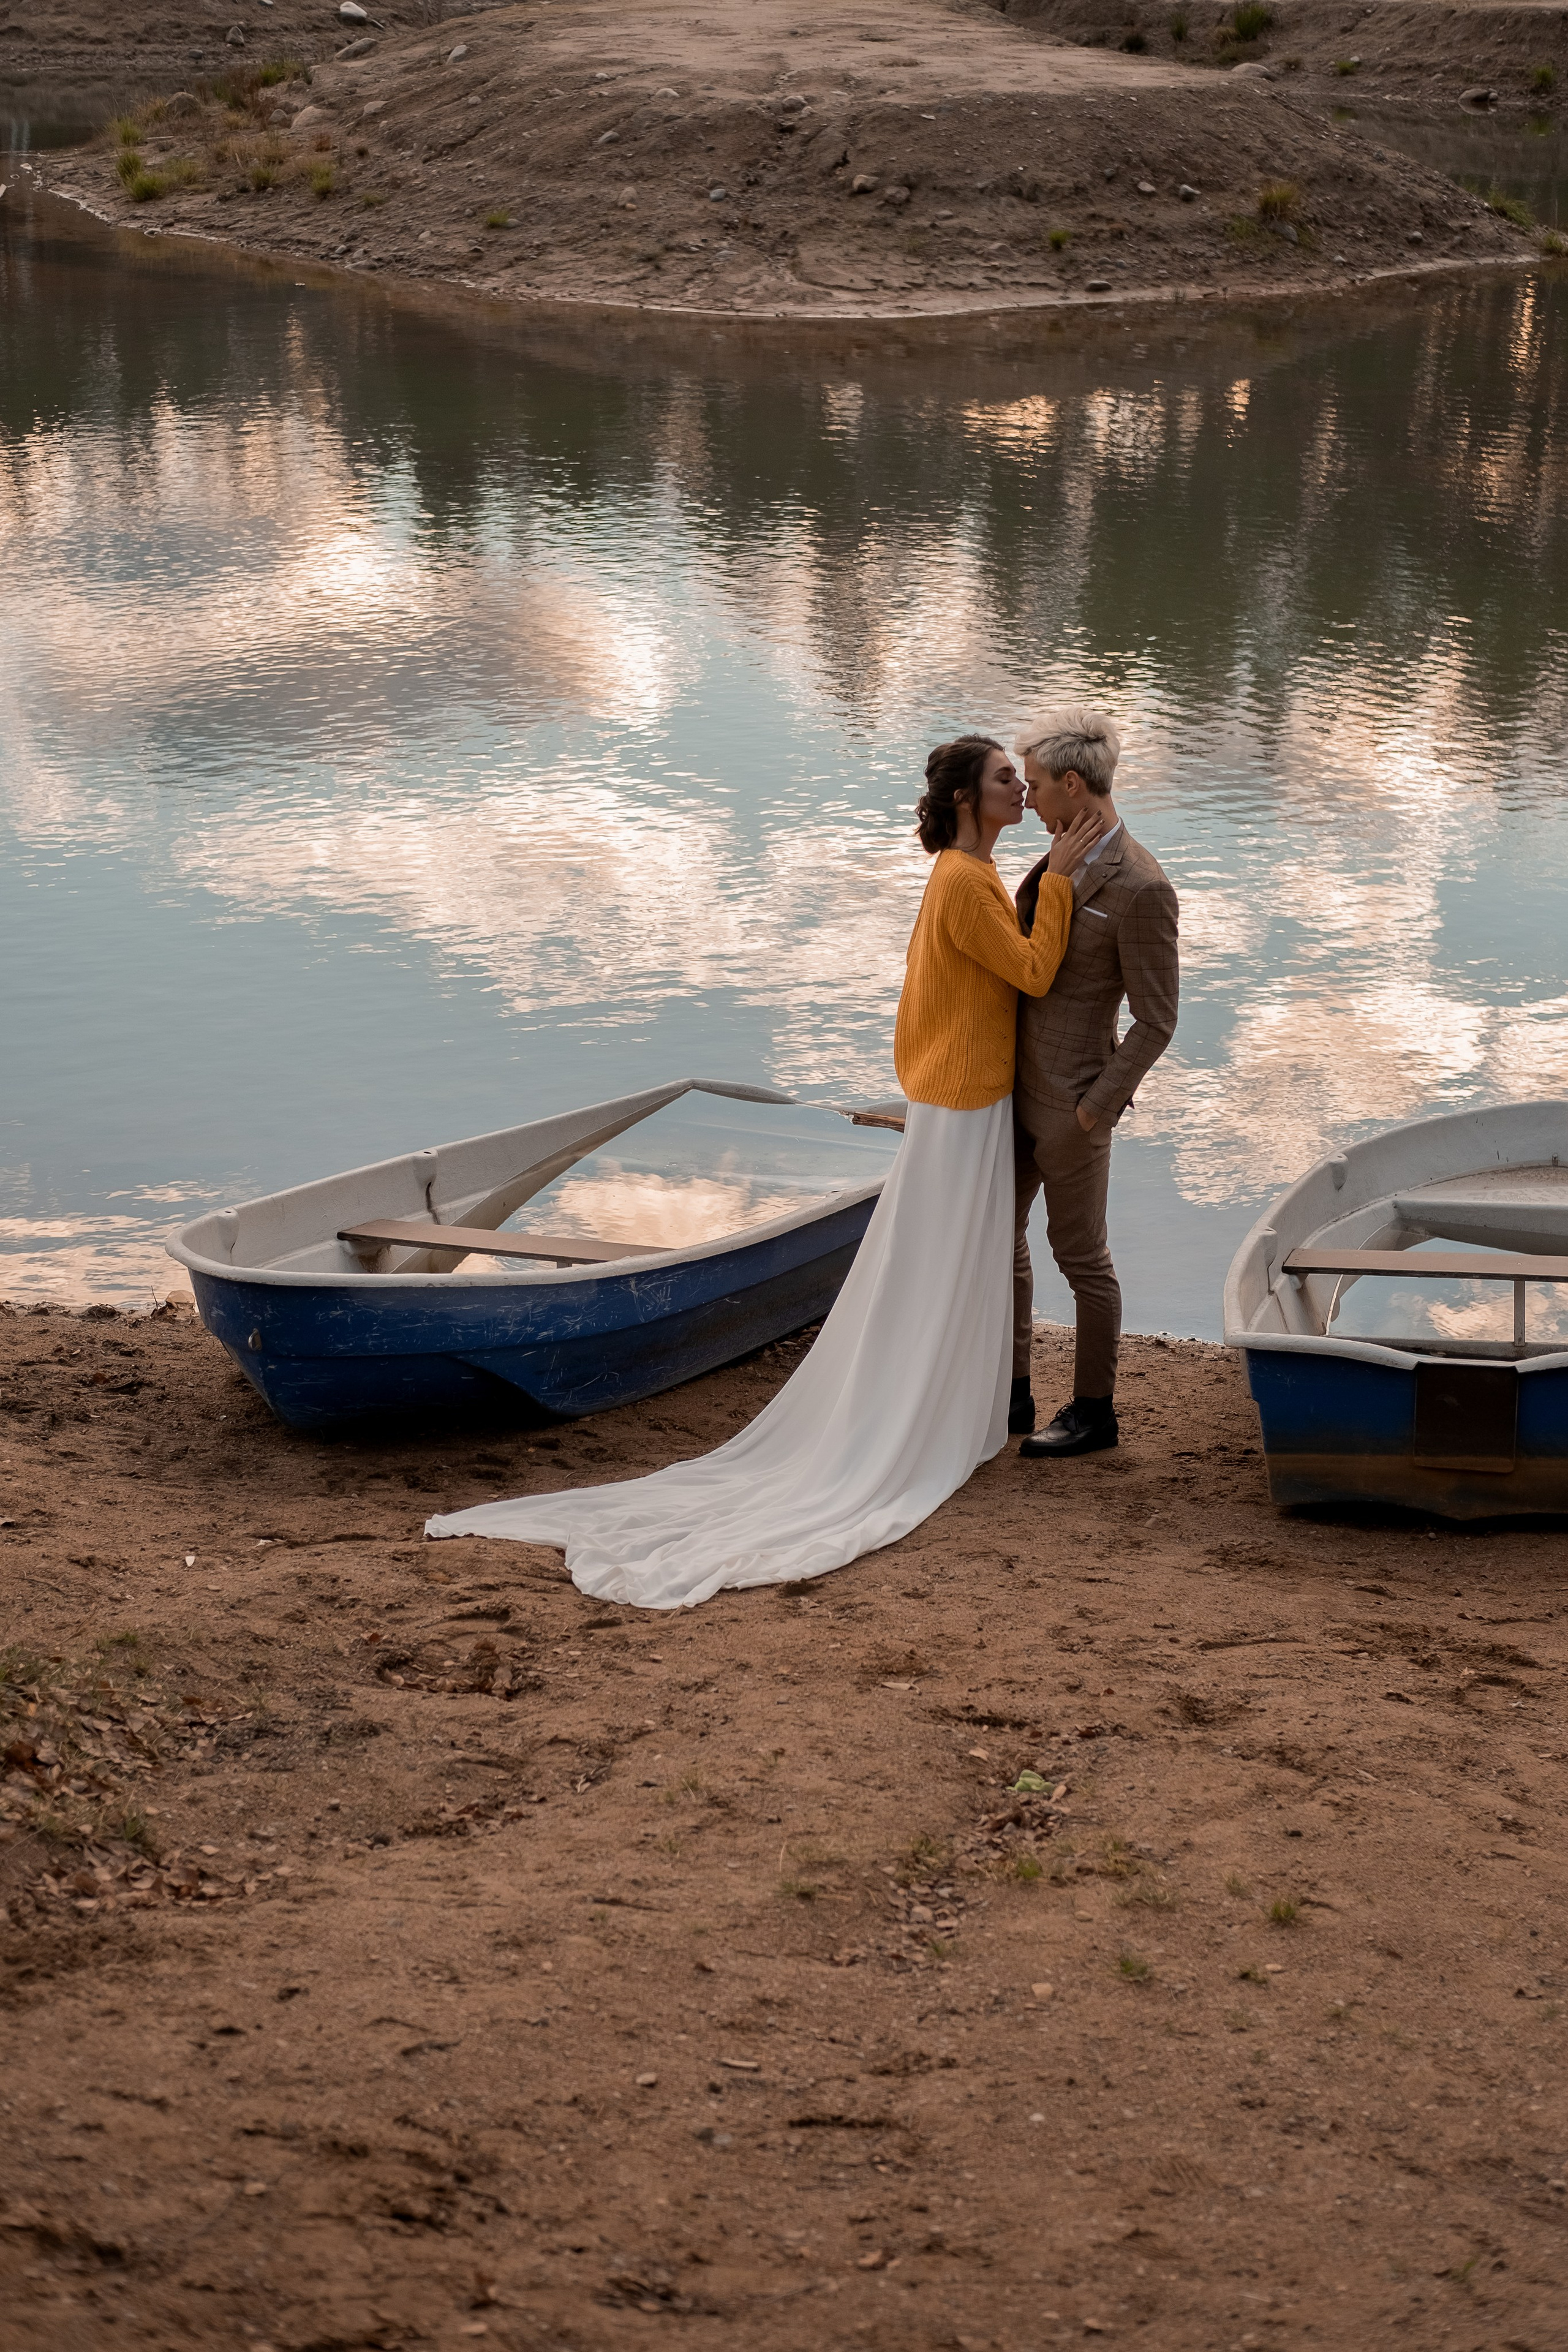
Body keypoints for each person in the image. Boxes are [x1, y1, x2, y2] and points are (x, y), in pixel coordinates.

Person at [425, 736, 1104, 1609]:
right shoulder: (965, 882)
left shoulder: (961, 879)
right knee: (945, 1259)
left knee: (951, 1258)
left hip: (961, 1096)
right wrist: (1058, 881)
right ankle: (927, 1418)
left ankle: (956, 1410)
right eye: (1007, 778)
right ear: (971, 799)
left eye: (1024, 777)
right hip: (966, 1102)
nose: (1023, 788)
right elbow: (1036, 970)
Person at [1006, 707, 1180, 1459]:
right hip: (1006, 1095)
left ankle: (1093, 1412)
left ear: (1074, 785)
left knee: (1081, 1259)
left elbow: (1157, 1019)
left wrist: (1091, 1110)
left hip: (1072, 1106)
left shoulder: (1142, 887)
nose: (1026, 798)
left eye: (1037, 786)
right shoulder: (1056, 858)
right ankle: (1011, 1393)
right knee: (997, 1239)